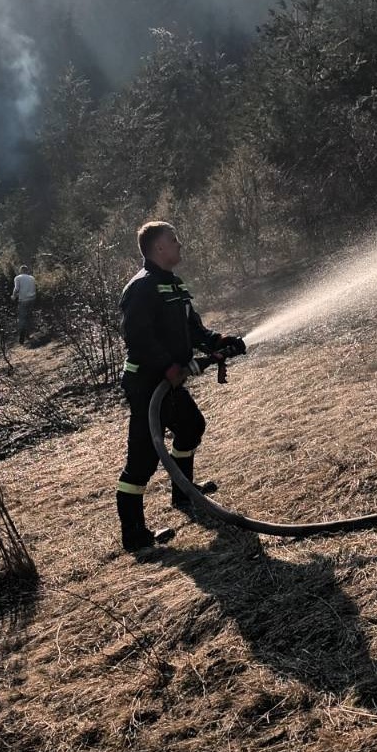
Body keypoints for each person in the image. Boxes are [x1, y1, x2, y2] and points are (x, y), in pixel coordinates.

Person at [116, 221, 243, 553]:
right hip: (146, 384)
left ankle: (183, 493)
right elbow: (137, 338)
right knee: (142, 459)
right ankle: (134, 537)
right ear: (159, 248)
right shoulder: (141, 288)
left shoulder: (174, 286)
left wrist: (219, 342)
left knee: (191, 427)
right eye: (174, 240)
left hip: (168, 380)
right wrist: (168, 367)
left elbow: (192, 329)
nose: (180, 244)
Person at [11, 264, 37, 345]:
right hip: (32, 299)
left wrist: (13, 296)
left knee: (22, 318)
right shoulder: (32, 278)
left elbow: (16, 289)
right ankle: (28, 335)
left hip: (23, 300)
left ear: (21, 271)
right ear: (27, 270)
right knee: (29, 317)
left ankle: (21, 339)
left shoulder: (18, 278)